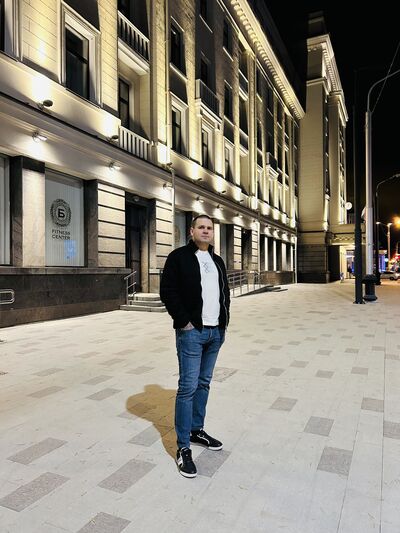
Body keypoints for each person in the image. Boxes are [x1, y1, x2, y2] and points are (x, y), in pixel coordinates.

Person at [160, 214, 230, 478]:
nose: (206, 231)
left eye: (209, 228)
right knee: (188, 387)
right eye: (201, 227)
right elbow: (168, 291)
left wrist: (223, 325)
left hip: (215, 332)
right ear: (191, 231)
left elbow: (224, 294)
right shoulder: (178, 257)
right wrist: (184, 321)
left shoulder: (217, 261)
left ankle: (196, 430)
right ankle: (183, 447)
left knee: (204, 383)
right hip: (192, 333)